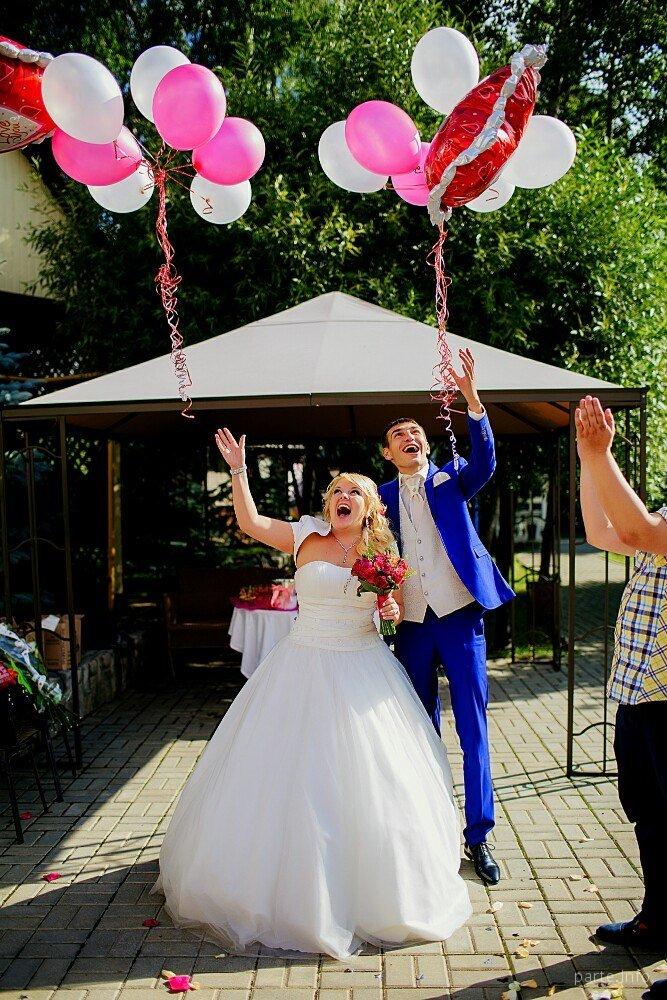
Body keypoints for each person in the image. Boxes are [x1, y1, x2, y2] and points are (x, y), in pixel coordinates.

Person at [152, 427, 472, 960]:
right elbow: (251, 523)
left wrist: (391, 608)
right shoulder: (305, 536)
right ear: (329, 504)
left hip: (363, 669)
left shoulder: (383, 551)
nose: (343, 498)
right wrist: (238, 471)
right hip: (300, 665)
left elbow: (391, 610)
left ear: (370, 508)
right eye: (337, 492)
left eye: (354, 492)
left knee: (367, 781)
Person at [378, 348, 514, 886]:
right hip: (411, 624)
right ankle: (428, 829)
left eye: (416, 431)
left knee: (473, 727)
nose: (410, 437)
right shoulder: (380, 498)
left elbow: (486, 462)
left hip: (458, 617)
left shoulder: (453, 477)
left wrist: (472, 400)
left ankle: (479, 835)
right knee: (419, 727)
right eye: (399, 434)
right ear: (387, 452)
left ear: (426, 443)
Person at [576, 395, 667, 955]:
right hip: (640, 690)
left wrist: (599, 454)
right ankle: (658, 921)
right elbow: (601, 531)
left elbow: (635, 531)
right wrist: (589, 460)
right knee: (650, 814)